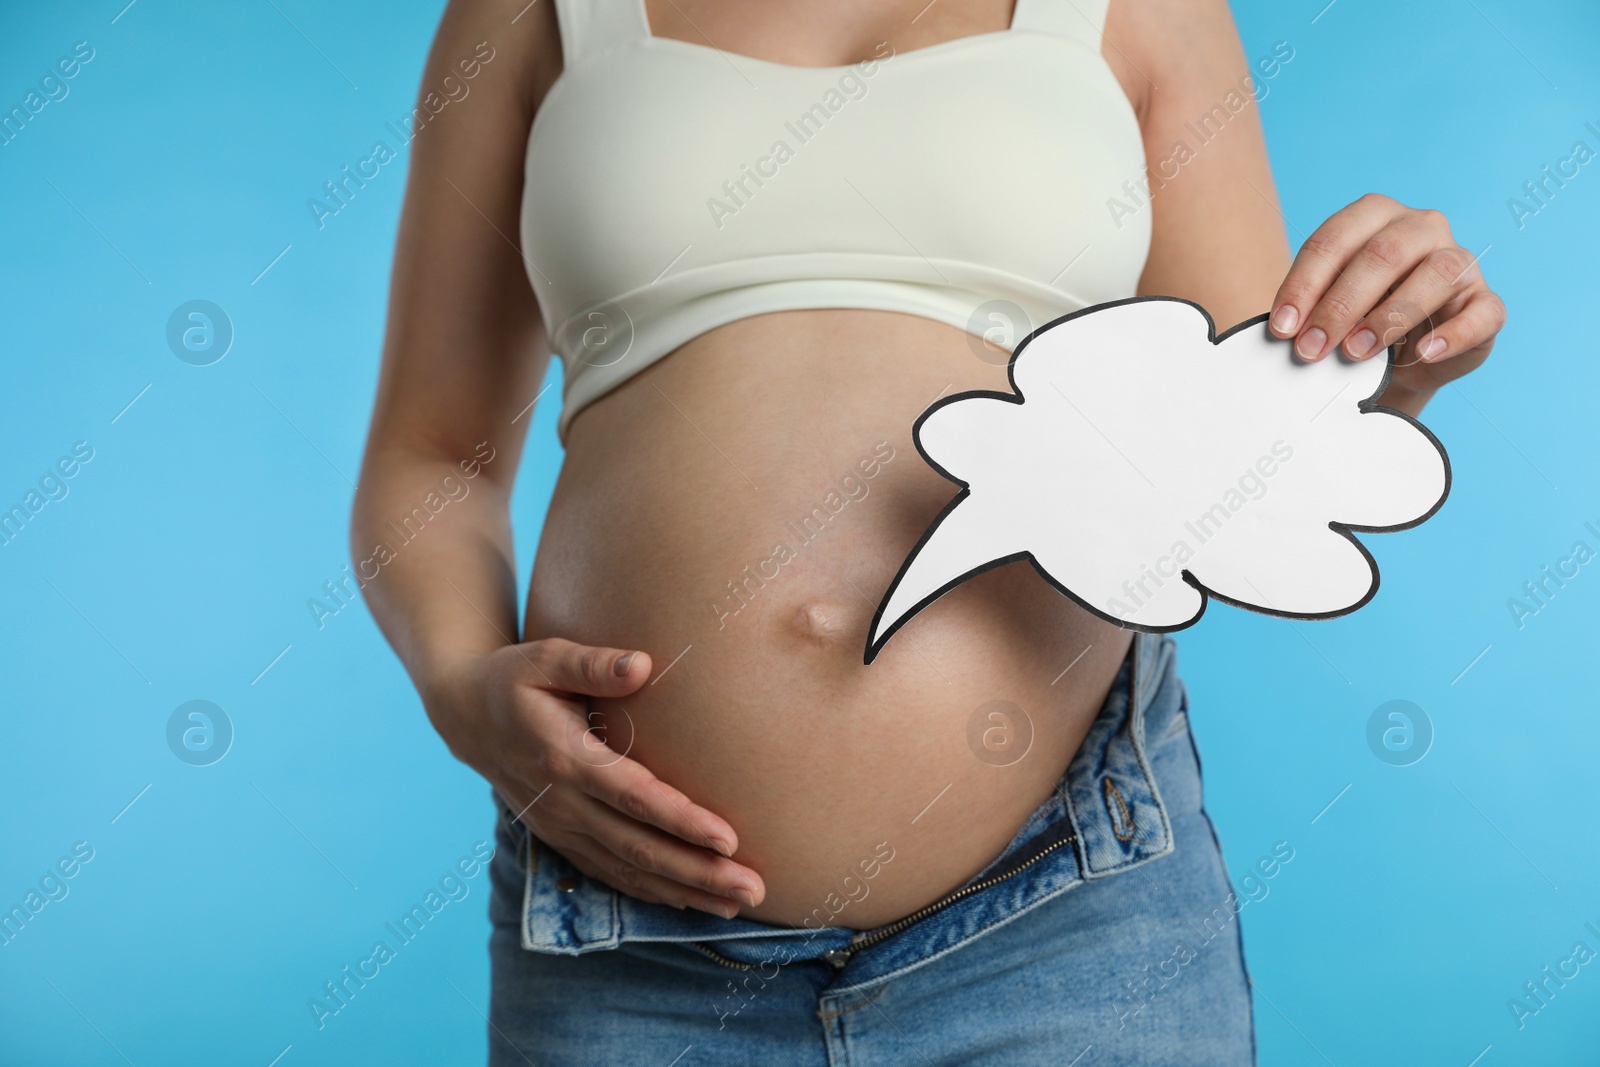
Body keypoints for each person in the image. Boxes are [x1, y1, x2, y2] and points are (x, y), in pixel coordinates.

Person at [351, 0, 1504, 1062]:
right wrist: (459, 686)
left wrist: (1388, 359)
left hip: (1067, 914)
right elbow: (433, 454)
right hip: (632, 941)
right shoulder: (525, 16)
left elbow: (1242, 437)